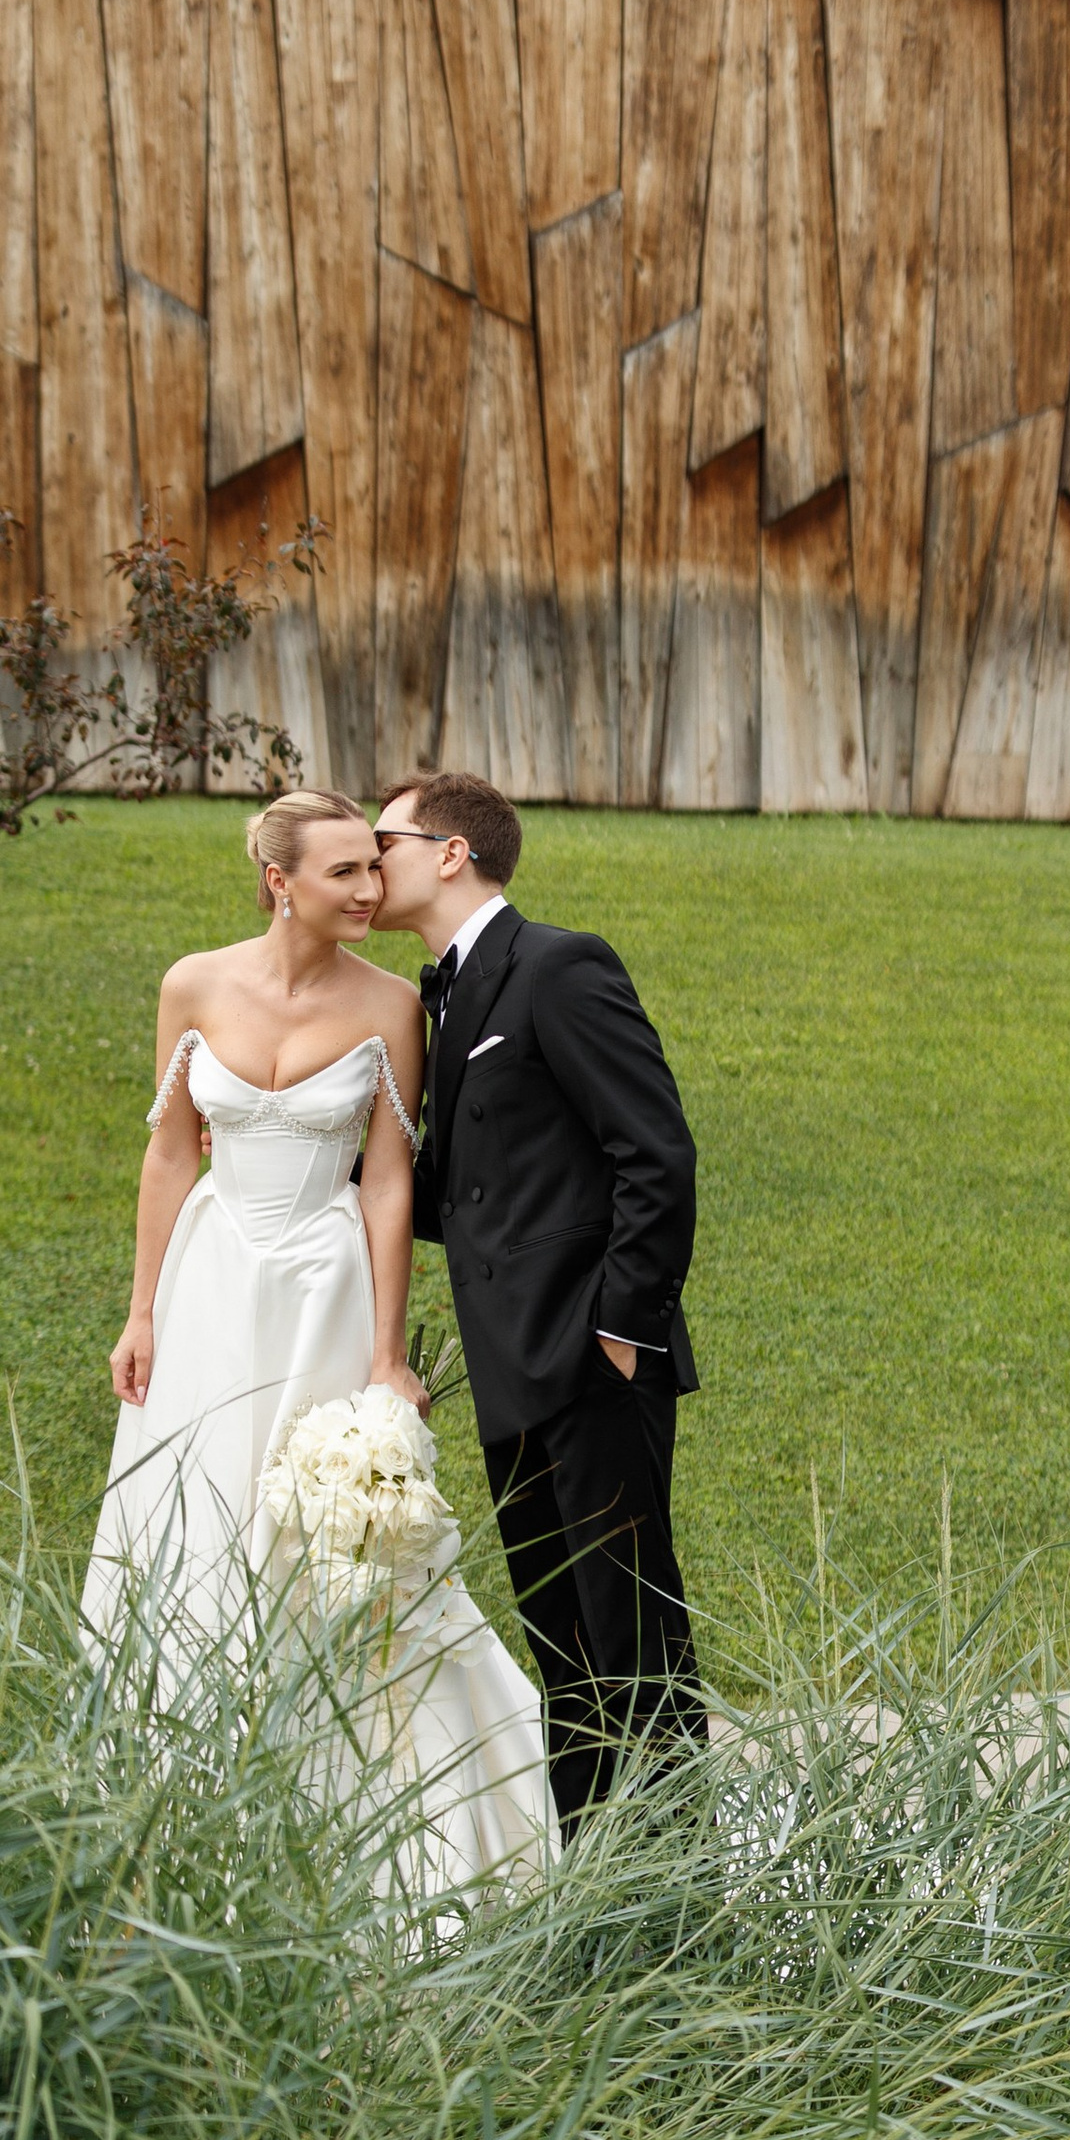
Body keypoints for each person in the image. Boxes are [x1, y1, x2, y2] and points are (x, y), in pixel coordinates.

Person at [84, 788, 551, 1886]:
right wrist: (142, 1307)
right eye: (343, 872)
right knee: (192, 1522)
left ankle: (361, 1806)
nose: (368, 888)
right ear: (277, 880)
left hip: (325, 1285)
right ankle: (181, 1803)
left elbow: (389, 1180)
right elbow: (168, 1155)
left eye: (371, 867)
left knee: (321, 1532)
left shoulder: (394, 1004)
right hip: (210, 1285)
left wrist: (388, 1355)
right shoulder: (191, 984)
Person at [368, 771, 704, 1833]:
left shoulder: (558, 966)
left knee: (633, 1646)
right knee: (561, 1646)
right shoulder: (446, 989)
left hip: (591, 1365)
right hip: (513, 1376)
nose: (370, 861)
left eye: (383, 841)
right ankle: (590, 1887)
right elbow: (467, 1195)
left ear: (450, 852)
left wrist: (618, 1330)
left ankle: (677, 1898)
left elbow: (655, 1153)